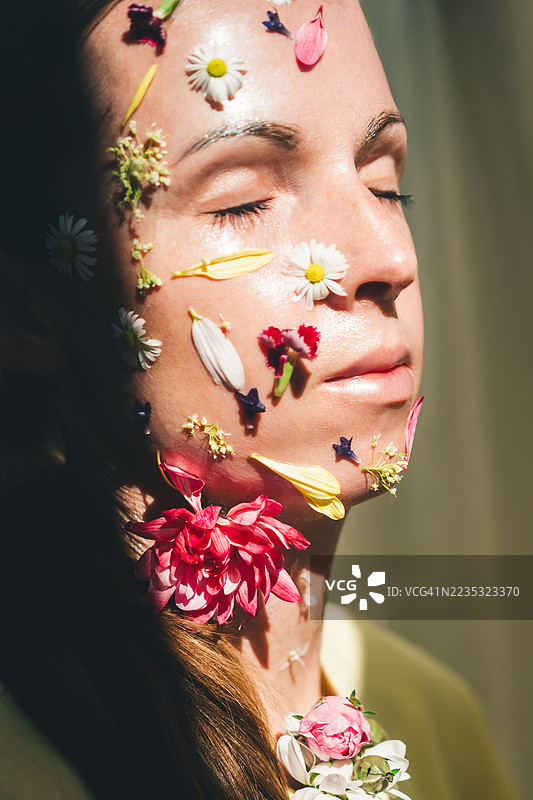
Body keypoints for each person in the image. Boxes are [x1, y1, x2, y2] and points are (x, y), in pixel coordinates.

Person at [0, 1, 517, 799]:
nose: (386, 257)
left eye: (385, 185)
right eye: (242, 200)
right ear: (28, 311)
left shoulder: (433, 720)